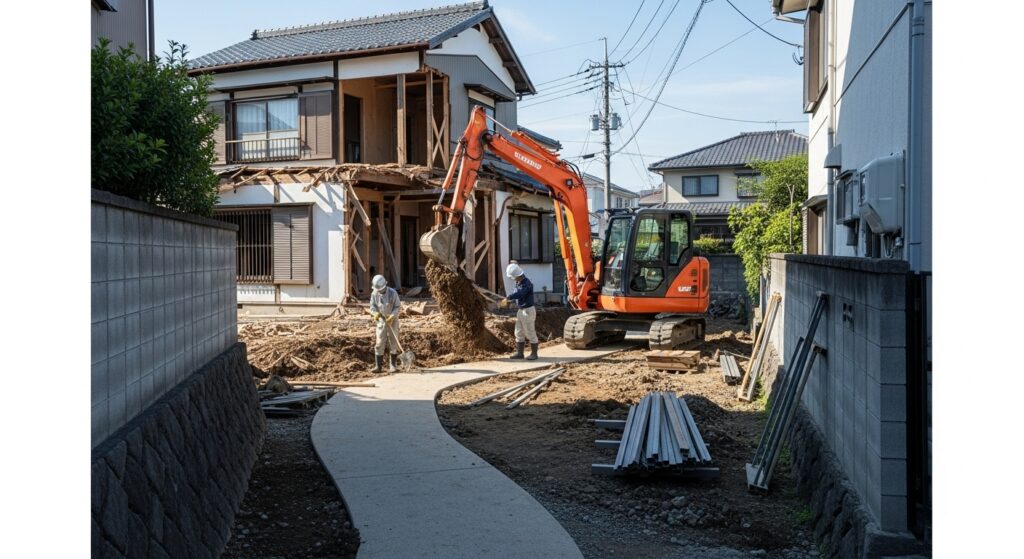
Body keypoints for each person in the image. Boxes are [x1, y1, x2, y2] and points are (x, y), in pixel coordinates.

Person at [501, 262, 538, 361]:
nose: (513, 279)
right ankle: (520, 353)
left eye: (513, 277)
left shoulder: (527, 283)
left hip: (528, 311)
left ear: (517, 275)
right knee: (518, 332)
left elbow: (520, 293)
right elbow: (516, 293)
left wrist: (510, 297)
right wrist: (509, 300)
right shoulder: (519, 283)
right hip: (521, 310)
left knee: (530, 332)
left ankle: (534, 354)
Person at [369, 274, 401, 373]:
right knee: (379, 342)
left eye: (380, 290)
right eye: (377, 290)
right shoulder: (374, 294)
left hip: (392, 320)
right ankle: (378, 366)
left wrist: (392, 316)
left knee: (393, 342)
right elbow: (373, 307)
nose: (379, 291)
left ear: (384, 286)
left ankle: (393, 365)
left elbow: (397, 306)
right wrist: (375, 314)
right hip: (381, 321)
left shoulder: (392, 293)